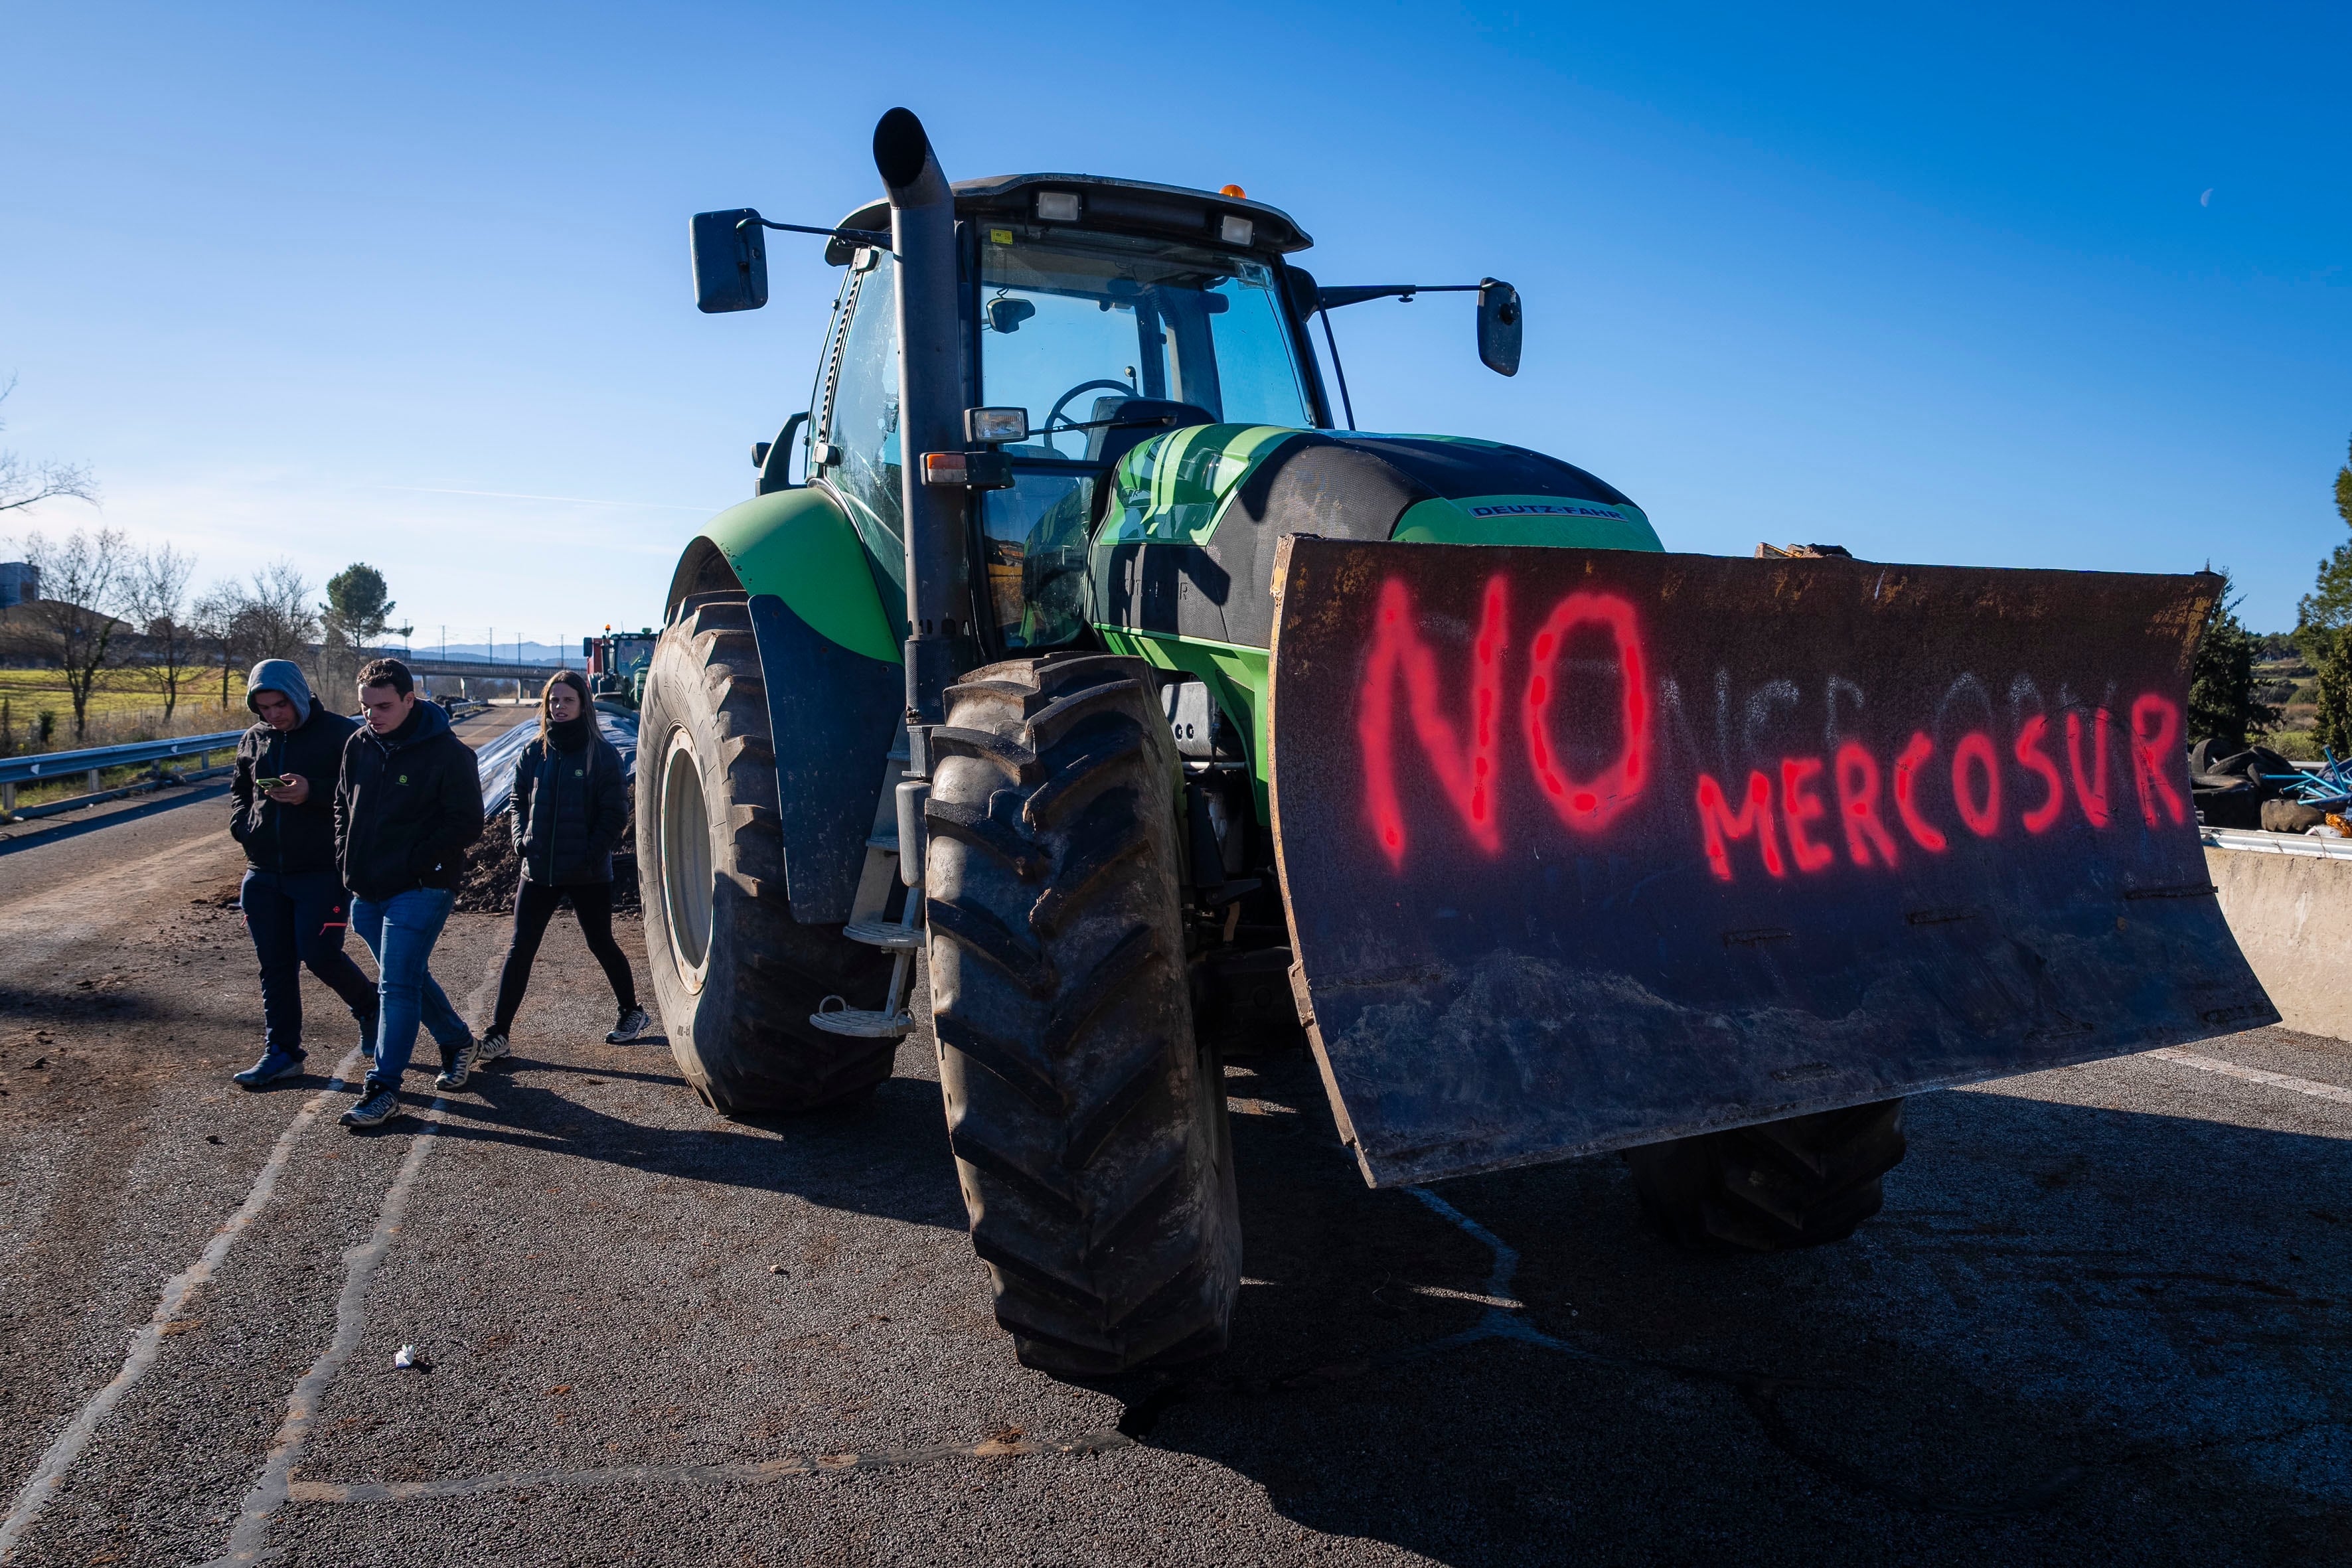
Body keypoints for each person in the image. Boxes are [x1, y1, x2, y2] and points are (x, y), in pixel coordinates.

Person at [334, 657, 483, 1129]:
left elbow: (467, 822)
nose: (371, 716)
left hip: (422, 886)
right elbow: (342, 805)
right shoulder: (358, 744)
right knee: (408, 976)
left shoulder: (447, 753)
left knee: (395, 986)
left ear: (408, 699)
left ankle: (383, 1088)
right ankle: (457, 1041)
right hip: (367, 887)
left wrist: (416, 860)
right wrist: (345, 857)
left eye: (382, 706)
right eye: (364, 707)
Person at [227, 659, 380, 1088]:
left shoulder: (340, 733)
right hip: (261, 872)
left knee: (319, 954)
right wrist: (243, 827)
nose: (273, 714)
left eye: (280, 704)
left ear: (298, 695)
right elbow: (240, 789)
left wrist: (312, 791)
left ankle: (369, 1006)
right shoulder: (254, 739)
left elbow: (366, 793)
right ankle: (283, 1053)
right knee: (274, 965)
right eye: (264, 707)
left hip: (320, 872)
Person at [481, 671, 649, 1056]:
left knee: (600, 942)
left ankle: (631, 1012)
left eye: (567, 700)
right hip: (539, 870)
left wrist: (592, 852)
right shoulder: (533, 752)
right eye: (553, 701)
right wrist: (520, 839)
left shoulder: (602, 754)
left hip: (588, 872)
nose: (558, 707)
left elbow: (615, 813)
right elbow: (517, 799)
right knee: (520, 948)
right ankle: (498, 1033)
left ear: (583, 705)